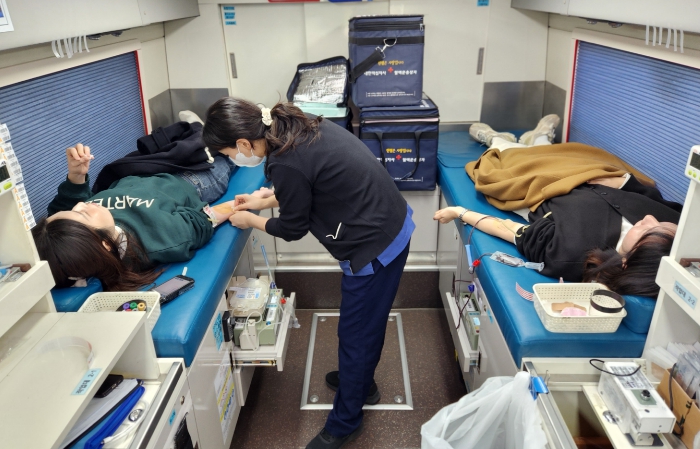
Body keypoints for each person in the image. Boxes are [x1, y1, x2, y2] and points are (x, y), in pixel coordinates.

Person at [202, 97, 414, 449]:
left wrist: (250, 219)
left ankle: (345, 423)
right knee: (365, 326)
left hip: (376, 246)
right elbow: (309, 183)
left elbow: (292, 227)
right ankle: (362, 385)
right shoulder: (297, 124)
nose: (233, 158)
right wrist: (263, 201)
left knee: (357, 335)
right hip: (388, 222)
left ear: (243, 143)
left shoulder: (286, 162)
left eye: (229, 153)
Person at [433, 121, 682, 297]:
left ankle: (495, 139)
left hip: (542, 187)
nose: (650, 218)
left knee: (506, 161)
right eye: (661, 224)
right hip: (586, 173)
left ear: (626, 263)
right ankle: (539, 139)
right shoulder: (674, 222)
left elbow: (509, 229)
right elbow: (645, 192)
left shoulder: (570, 252)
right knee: (573, 153)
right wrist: (615, 180)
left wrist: (460, 212)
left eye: (647, 231)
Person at [32, 142, 241, 291]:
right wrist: (240, 203)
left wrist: (76, 175)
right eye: (83, 213)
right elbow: (203, 220)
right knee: (231, 151)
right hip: (191, 179)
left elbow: (60, 222)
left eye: (73, 209)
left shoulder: (83, 234)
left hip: (148, 166)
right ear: (105, 244)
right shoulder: (159, 239)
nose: (81, 204)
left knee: (195, 136)